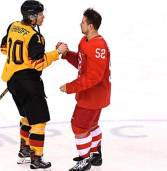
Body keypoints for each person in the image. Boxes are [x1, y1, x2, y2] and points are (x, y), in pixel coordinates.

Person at [0, 0, 68, 170]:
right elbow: (38, 63)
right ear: (32, 17)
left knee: (27, 117)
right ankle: (36, 158)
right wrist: (56, 53)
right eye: (40, 14)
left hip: (12, 81)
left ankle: (24, 151)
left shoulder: (13, 26)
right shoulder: (35, 37)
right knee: (39, 121)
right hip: (29, 83)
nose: (43, 17)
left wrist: (19, 61)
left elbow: (3, 48)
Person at [59, 8, 111, 171]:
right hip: (93, 95)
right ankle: (95, 155)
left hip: (93, 96)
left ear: (90, 26)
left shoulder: (98, 45)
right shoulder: (85, 41)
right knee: (92, 125)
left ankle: (84, 160)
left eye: (83, 21)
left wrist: (71, 87)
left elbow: (93, 77)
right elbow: (83, 65)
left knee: (79, 126)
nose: (80, 24)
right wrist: (67, 54)